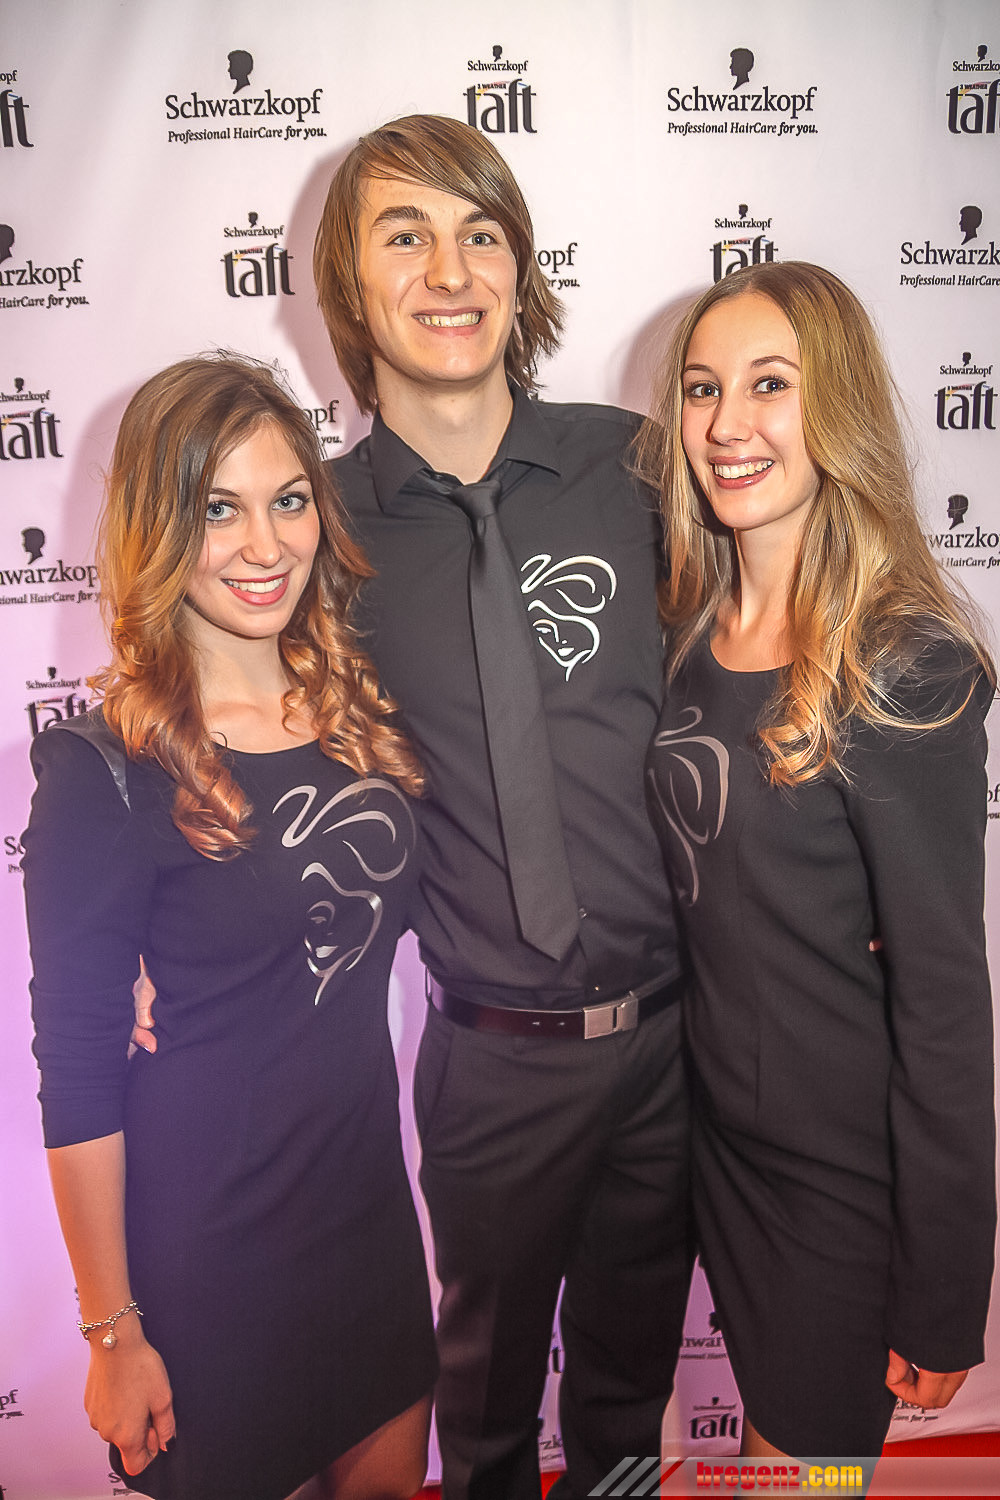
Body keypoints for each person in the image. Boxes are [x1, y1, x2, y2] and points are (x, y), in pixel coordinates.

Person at [310, 114, 693, 1499]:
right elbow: (237, 736)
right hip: (490, 1066)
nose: (449, 269)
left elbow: (755, 669)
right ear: (350, 286)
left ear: (521, 270)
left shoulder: (635, 467)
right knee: (478, 1429)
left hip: (677, 1041)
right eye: (404, 235)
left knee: (629, 1411)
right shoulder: (315, 531)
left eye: (481, 234)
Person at [23, 355, 437, 1500]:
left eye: (288, 499)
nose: (265, 545)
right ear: (159, 527)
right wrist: (112, 1332)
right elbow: (77, 1075)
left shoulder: (358, 717)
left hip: (368, 1234)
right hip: (209, 1269)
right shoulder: (105, 772)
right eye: (218, 509)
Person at [637, 261, 996, 1457]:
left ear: (834, 408)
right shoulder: (681, 634)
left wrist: (944, 1287)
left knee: (803, 1477)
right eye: (701, 388)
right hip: (694, 1142)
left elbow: (944, 1000)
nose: (726, 424)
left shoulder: (904, 666)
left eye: (769, 385)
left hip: (835, 1186)